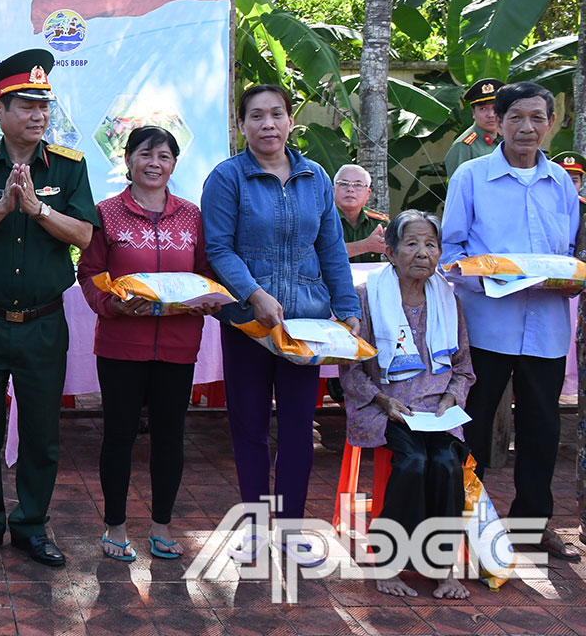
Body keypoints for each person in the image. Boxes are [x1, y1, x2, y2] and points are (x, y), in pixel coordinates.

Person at [201, 83, 361, 566]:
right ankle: (253, 528)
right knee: (249, 426)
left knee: (297, 429)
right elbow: (218, 248)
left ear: (291, 122)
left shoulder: (315, 177)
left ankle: (290, 529)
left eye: (276, 114)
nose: (267, 124)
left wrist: (347, 308)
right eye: (256, 115)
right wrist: (254, 295)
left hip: (306, 325)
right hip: (249, 325)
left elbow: (331, 248)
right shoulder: (227, 177)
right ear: (242, 125)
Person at [0, 50, 96, 568]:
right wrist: (1, 207)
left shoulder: (70, 167)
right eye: (27, 105)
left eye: (43, 105)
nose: (38, 115)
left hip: (42, 322)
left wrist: (38, 209)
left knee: (41, 430)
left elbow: (84, 235)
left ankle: (32, 524)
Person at [442, 80, 581, 561]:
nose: (527, 127)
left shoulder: (561, 182)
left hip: (547, 328)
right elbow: (450, 251)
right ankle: (466, 523)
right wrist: (492, 280)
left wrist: (571, 279)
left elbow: (568, 252)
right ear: (497, 122)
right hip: (487, 325)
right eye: (516, 117)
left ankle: (531, 525)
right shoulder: (472, 177)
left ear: (550, 123)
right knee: (474, 426)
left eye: (537, 117)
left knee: (542, 429)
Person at [77, 126, 217, 563]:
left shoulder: (192, 215)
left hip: (178, 344)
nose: (154, 163)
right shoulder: (105, 213)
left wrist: (206, 297)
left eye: (164, 156)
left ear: (174, 164)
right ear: (128, 160)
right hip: (121, 343)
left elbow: (206, 270)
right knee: (118, 436)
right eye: (145, 154)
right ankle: (115, 527)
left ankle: (161, 526)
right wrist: (112, 305)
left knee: (170, 437)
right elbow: (90, 273)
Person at [340, 210, 474, 600]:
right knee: (413, 462)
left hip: (437, 412)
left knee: (446, 464)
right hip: (384, 407)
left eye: (431, 245)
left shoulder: (448, 300)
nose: (423, 253)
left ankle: (443, 567)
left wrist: (449, 399)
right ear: (390, 252)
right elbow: (350, 367)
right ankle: (390, 562)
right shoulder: (366, 298)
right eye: (412, 244)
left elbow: (463, 367)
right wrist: (383, 400)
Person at [443, 77, 504, 179]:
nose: (491, 115)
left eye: (495, 108)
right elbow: (458, 184)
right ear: (473, 112)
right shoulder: (464, 146)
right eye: (483, 109)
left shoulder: (506, 139)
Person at [334, 164, 389, 263]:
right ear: (333, 191)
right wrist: (366, 246)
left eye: (358, 185)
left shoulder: (379, 223)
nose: (350, 189)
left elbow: (400, 255)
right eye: (343, 184)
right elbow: (318, 253)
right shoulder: (320, 220)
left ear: (368, 194)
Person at [551, 151, 586, 221]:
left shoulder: (583, 208)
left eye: (574, 181)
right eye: (564, 181)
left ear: (581, 183)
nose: (569, 186)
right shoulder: (543, 204)